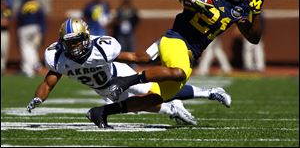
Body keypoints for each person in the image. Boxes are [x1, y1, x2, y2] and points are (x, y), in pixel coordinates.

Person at [87, 0, 265, 128]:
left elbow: (253, 38)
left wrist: (255, 13)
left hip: (192, 52)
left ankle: (101, 112)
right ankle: (124, 81)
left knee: (154, 99)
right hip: (176, 38)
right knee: (178, 72)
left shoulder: (240, 6)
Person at [26, 18, 231, 127]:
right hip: (103, 90)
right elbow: (49, 81)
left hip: (119, 75)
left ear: (86, 37)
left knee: (154, 90)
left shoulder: (101, 48)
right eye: (70, 43)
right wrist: (38, 98)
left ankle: (209, 92)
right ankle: (172, 110)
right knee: (138, 105)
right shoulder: (58, 57)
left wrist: (155, 51)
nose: (75, 47)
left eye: (78, 41)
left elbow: (131, 57)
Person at [16, 0, 46, 77]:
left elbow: (19, 18)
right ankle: (36, 65)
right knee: (32, 48)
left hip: (24, 28)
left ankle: (28, 69)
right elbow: (42, 18)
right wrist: (43, 31)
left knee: (26, 48)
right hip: (36, 28)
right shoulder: (38, 5)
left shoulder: (23, 5)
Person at [1, 0, 13, 75]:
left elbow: (5, 23)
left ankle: (2, 68)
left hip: (4, 32)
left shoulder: (6, 11)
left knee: (3, 51)